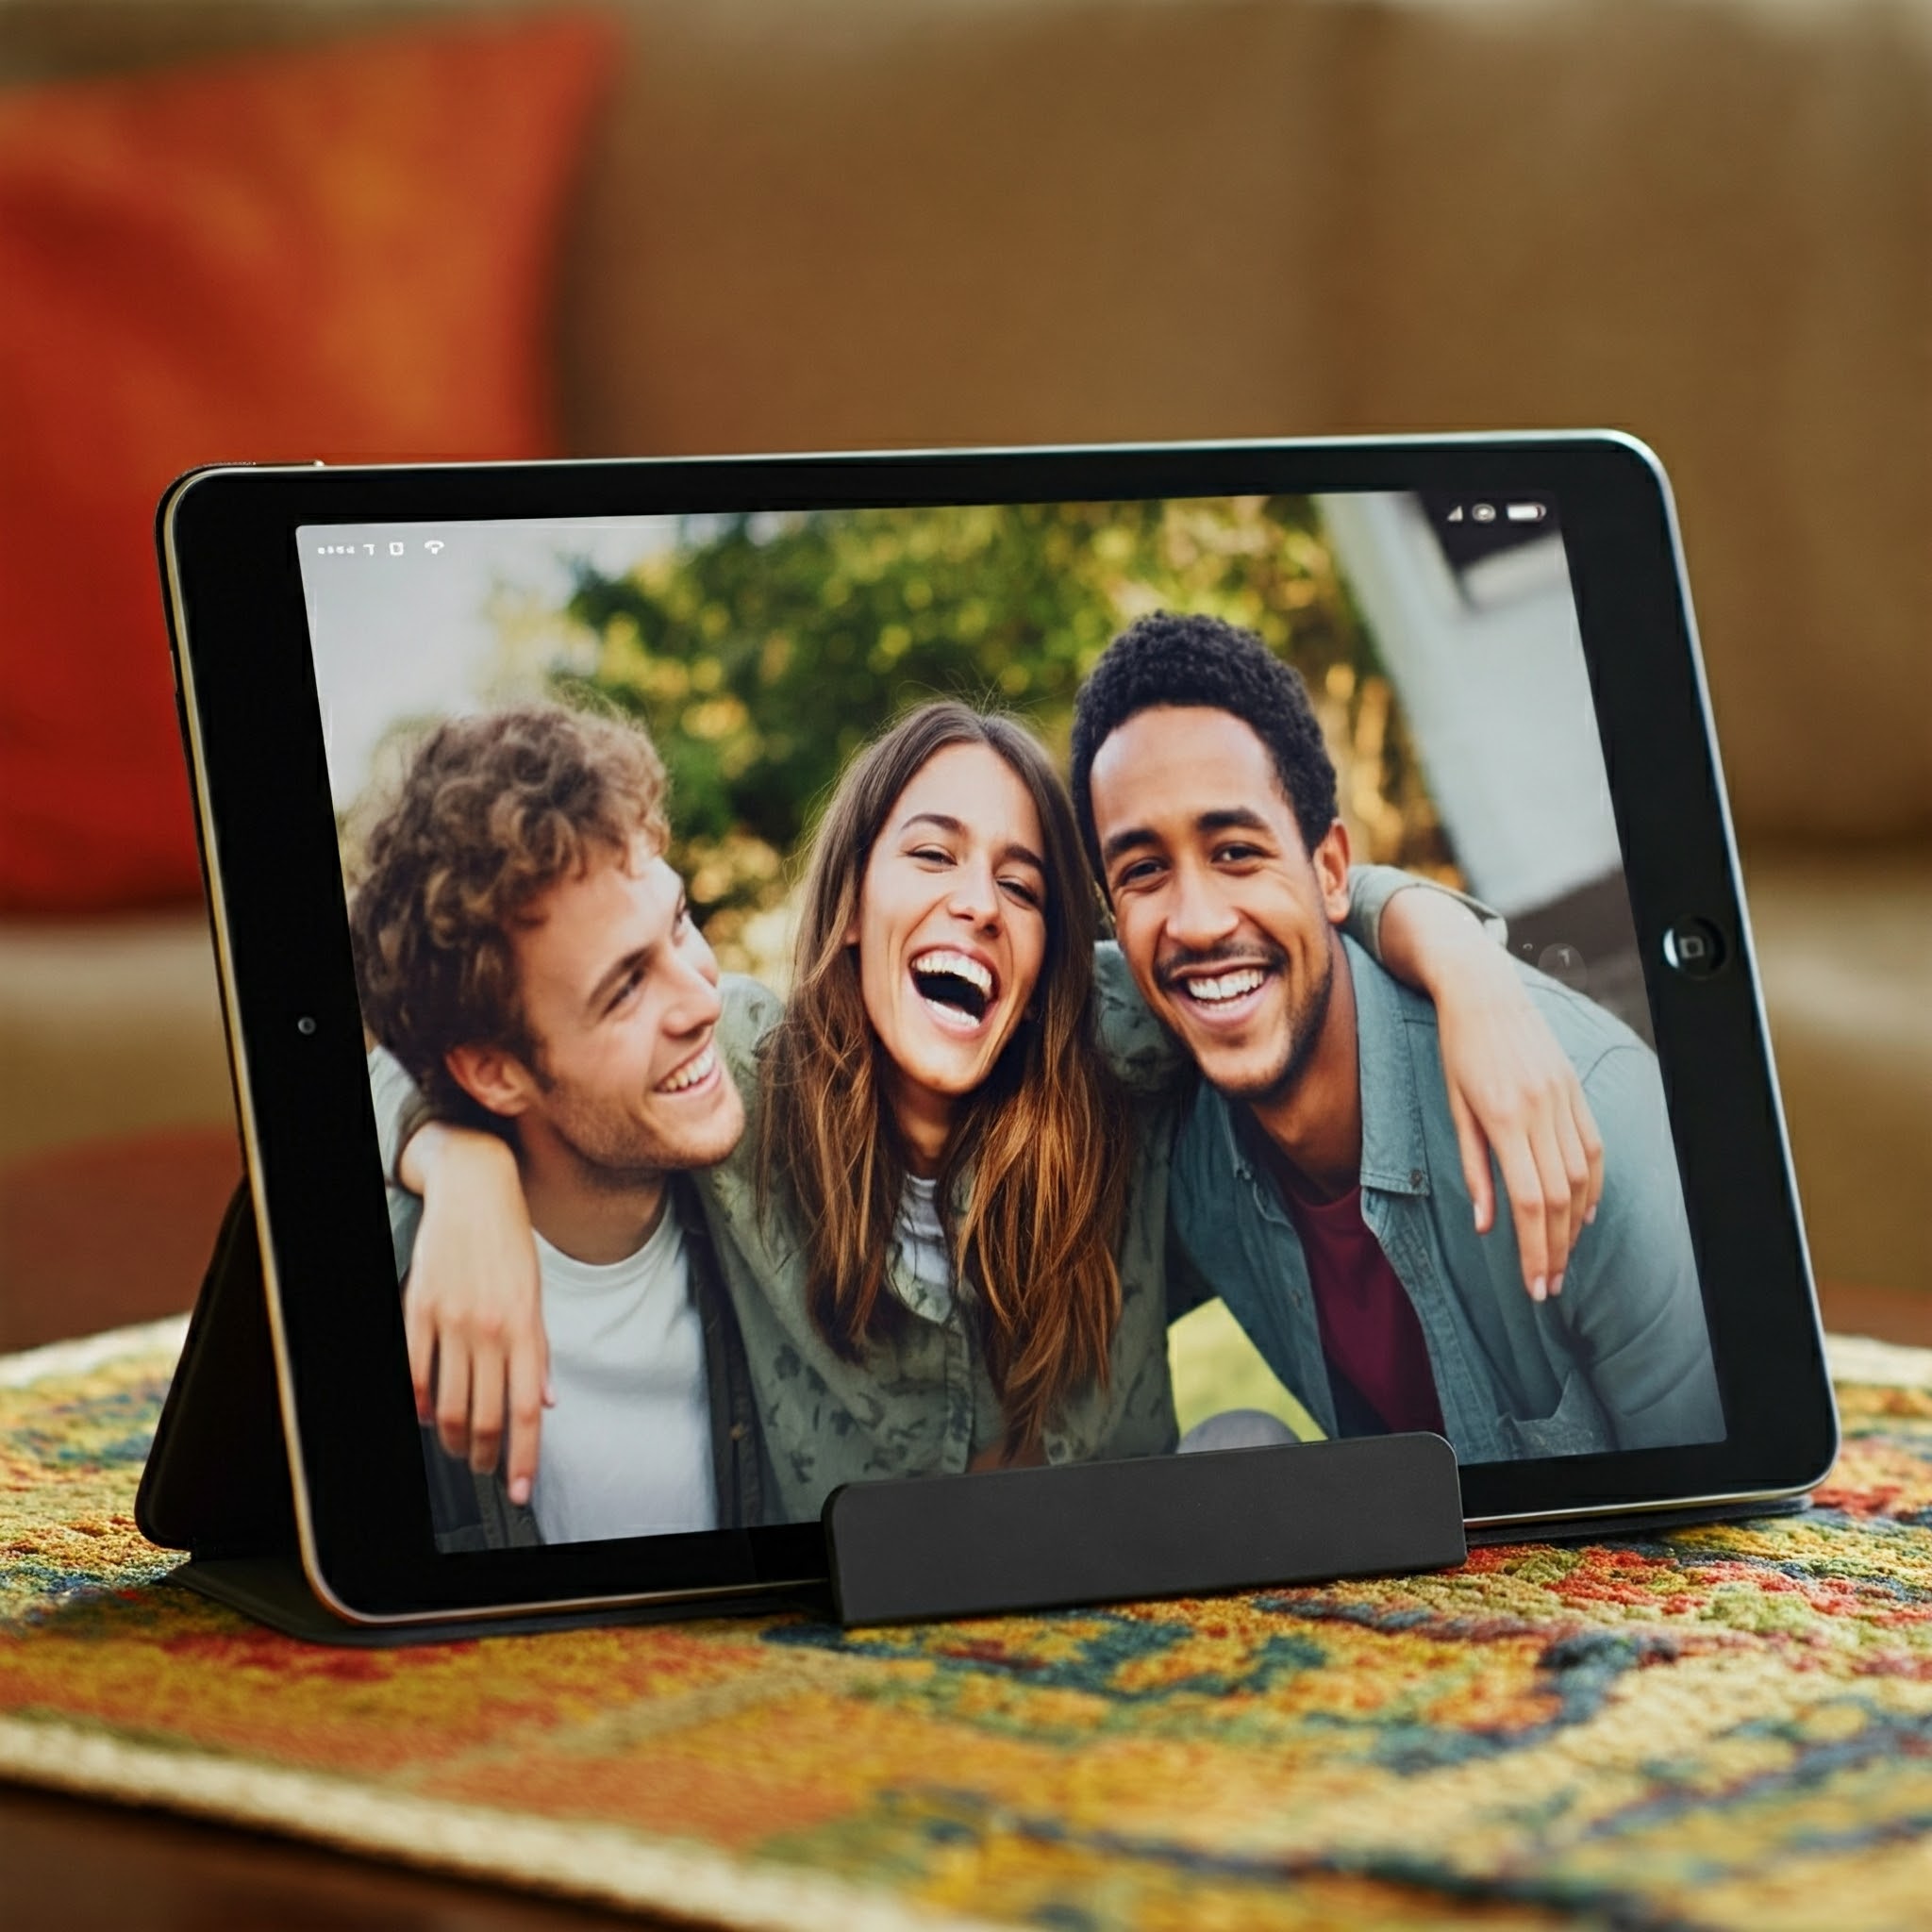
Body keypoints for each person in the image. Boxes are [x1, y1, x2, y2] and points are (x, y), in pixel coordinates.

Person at [390, 697, 1611, 1520]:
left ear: (1047, 955)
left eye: (1021, 884)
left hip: (1118, 1623)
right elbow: (432, 1033)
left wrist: (1456, 953)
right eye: (931, 855)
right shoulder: (737, 1077)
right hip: (864, 1662)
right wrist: (456, 1160)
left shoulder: (1116, 1055)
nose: (978, 902)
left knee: (1251, 1447)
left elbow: (1270, 927)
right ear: (853, 900)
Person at [1069, 611, 1724, 1460]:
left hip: (1626, 1551)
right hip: (1402, 1540)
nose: (1196, 922)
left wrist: (1456, 950)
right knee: (1232, 1451)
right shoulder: (1190, 1160)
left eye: (1235, 851)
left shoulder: (1591, 1120)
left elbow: (1722, 1510)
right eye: (1144, 871)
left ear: (1331, 871)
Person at [349, 705, 765, 1548]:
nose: (700, 999)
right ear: (494, 1073)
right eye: (626, 988)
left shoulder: (780, 1089)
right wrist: (455, 1163)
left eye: (680, 922)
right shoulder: (390, 1294)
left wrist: (454, 1159)